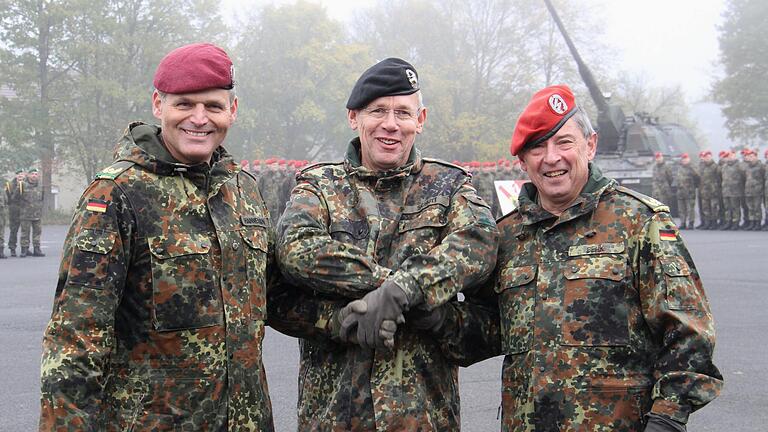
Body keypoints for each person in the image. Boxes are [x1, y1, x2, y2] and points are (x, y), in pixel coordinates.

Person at [431, 85, 723, 432]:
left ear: (590, 145)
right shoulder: (506, 236)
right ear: (523, 161)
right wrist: (433, 316)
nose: (551, 157)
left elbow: (690, 333)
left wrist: (667, 419)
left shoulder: (640, 222)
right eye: (537, 147)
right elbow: (486, 332)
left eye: (564, 142)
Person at [39, 43, 276, 430]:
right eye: (184, 104)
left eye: (213, 106)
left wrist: (343, 317)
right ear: (158, 105)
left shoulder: (242, 190)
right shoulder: (117, 194)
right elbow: (76, 339)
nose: (199, 119)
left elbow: (272, 295)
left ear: (232, 111)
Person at [271, 57, 498, 430]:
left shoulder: (450, 186)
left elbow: (479, 243)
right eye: (378, 111)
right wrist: (379, 291)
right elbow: (296, 248)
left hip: (423, 418)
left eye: (403, 113)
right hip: (334, 418)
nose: (390, 125)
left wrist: (407, 289)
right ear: (353, 117)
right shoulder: (320, 187)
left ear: (420, 120)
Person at [19, 167, 45, 256]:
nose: (34, 176)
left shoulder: (40, 186)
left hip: (37, 214)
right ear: (28, 175)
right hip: (25, 214)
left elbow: (42, 198)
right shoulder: (23, 185)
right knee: (25, 232)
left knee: (37, 232)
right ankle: (24, 249)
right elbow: (16, 198)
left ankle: (37, 249)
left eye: (36, 174)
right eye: (32, 174)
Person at [720, 150, 745, 230]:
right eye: (728, 156)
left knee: (735, 207)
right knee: (727, 208)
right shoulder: (724, 166)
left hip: (735, 190)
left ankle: (736, 222)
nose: (730, 158)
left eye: (732, 156)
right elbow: (720, 177)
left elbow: (744, 177)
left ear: (735, 156)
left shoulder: (739, 166)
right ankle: (728, 222)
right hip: (726, 190)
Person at [696, 150, 720, 229]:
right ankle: (707, 223)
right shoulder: (702, 167)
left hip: (713, 190)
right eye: (705, 157)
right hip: (704, 190)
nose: (706, 158)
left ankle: (714, 223)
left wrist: (715, 187)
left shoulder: (715, 166)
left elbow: (719, 178)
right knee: (705, 208)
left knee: (713, 207)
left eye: (708, 157)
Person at [741, 148, 765, 230]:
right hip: (748, 190)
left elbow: (764, 177)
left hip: (757, 190)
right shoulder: (747, 167)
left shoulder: (761, 166)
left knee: (757, 207)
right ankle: (752, 223)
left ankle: (757, 223)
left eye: (752, 156)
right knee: (750, 207)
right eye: (749, 156)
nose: (750, 158)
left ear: (756, 157)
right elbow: (744, 178)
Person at [674, 153, 699, 229]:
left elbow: (697, 177)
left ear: (689, 159)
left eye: (686, 159)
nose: (684, 160)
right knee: (681, 209)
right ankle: (683, 223)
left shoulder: (692, 167)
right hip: (680, 192)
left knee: (690, 209)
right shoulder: (679, 168)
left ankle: (691, 223)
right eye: (683, 159)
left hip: (689, 191)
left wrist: (694, 187)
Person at [5, 169, 25, 256]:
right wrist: (18, 187)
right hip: (14, 210)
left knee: (26, 231)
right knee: (14, 230)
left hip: (26, 210)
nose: (20, 175)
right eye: (18, 174)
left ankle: (25, 249)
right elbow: (10, 198)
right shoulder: (10, 185)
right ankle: (12, 248)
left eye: (22, 174)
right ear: (16, 175)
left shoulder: (28, 184)